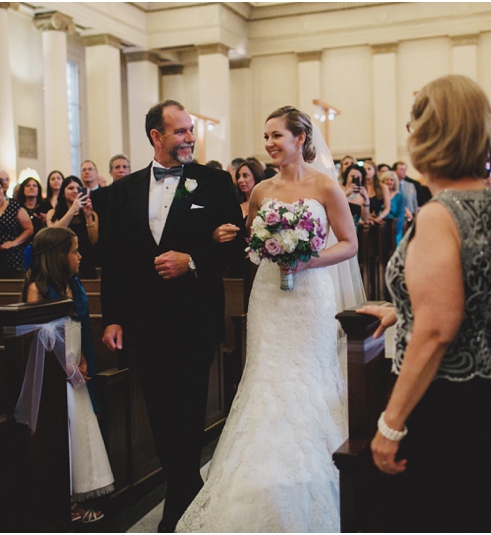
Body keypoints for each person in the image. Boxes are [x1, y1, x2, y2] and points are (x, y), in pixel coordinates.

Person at [177, 106, 357, 533]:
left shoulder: (325, 187)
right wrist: (234, 237)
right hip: (270, 298)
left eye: (277, 136)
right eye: (266, 137)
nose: (270, 144)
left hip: (310, 296)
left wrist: (310, 260)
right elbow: (252, 243)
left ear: (300, 138)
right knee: (265, 380)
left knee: (308, 379)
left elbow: (349, 243)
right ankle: (256, 484)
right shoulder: (260, 191)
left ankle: (315, 476)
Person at [357, 75, 491, 532]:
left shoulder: (438, 213)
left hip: (445, 400)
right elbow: (477, 289)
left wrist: (391, 422)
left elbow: (437, 329)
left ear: (429, 134)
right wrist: (401, 309)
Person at [101, 99, 245, 533]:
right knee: (162, 416)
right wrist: (113, 318)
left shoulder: (215, 183)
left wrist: (193, 259)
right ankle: (187, 489)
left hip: (194, 318)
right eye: (180, 131)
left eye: (191, 131)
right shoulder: (120, 192)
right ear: (156, 137)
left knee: (188, 412)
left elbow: (237, 248)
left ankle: (177, 509)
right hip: (145, 323)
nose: (189, 138)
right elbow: (114, 262)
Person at [22, 227, 114, 524]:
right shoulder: (36, 287)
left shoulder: (74, 284)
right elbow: (37, 338)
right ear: (59, 255)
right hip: (53, 371)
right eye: (75, 250)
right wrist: (66, 366)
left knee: (81, 427)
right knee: (65, 429)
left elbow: (81, 324)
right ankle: (65, 500)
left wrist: (84, 359)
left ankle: (78, 492)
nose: (80, 256)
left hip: (77, 360)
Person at [47, 176, 99, 279]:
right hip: (60, 262)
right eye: (70, 188)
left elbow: (93, 240)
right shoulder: (53, 213)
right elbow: (53, 236)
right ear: (63, 192)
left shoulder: (92, 214)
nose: (75, 191)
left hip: (85, 261)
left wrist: (88, 217)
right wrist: (72, 210)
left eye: (78, 188)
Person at [381, 170, 406, 243]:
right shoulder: (379, 195)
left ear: (395, 182)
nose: (389, 182)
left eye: (391, 180)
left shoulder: (399, 196)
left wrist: (396, 228)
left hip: (393, 225)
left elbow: (400, 214)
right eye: (387, 179)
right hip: (381, 225)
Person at [363, 159, 390, 223]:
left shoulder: (383, 187)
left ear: (374, 171)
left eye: (369, 169)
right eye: (364, 169)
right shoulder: (360, 187)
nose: (366, 171)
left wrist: (379, 217)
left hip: (379, 220)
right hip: (363, 220)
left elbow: (387, 208)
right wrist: (366, 217)